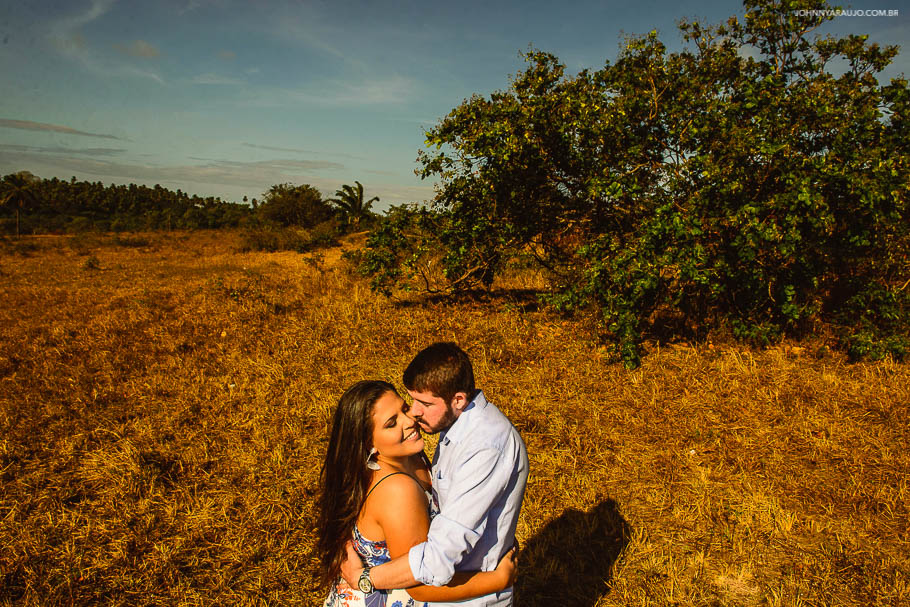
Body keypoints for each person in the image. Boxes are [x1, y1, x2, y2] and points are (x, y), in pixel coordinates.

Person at [341, 343, 530, 607]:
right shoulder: (449, 429)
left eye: (424, 403)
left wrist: (366, 577)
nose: (414, 414)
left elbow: (437, 558)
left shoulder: (484, 447)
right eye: (411, 401)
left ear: (459, 400)